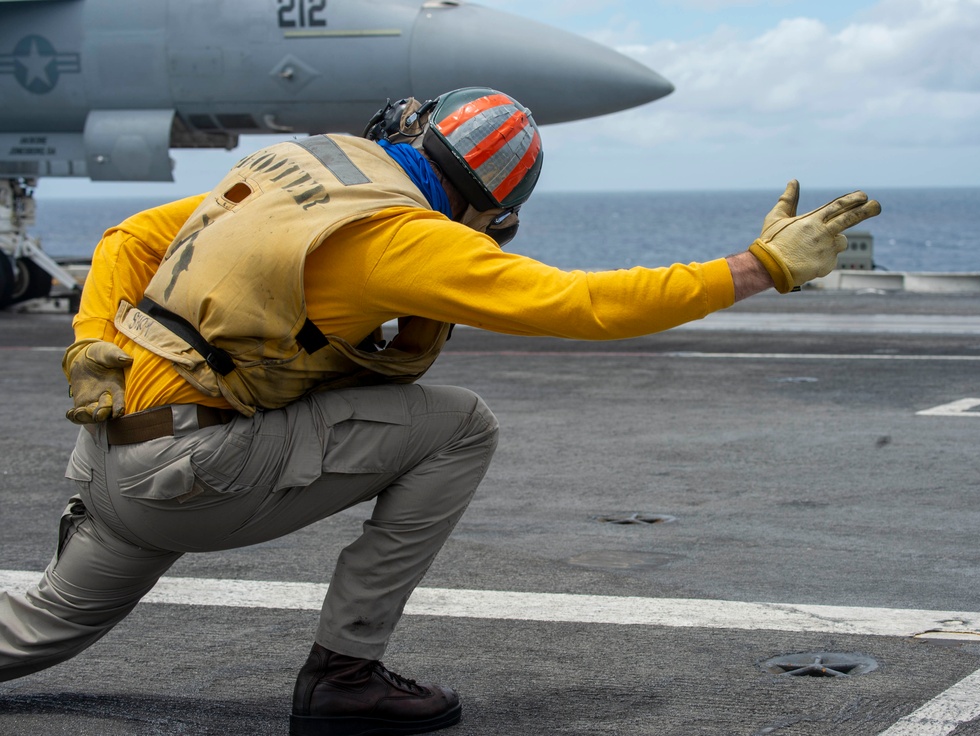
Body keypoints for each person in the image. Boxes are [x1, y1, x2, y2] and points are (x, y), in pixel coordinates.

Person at [0, 87, 880, 736]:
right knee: (461, 423)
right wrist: (764, 265)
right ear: (489, 203)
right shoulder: (404, 237)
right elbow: (587, 306)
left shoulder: (302, 167)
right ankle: (345, 672)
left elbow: (129, 238)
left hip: (110, 453)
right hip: (194, 477)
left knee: (34, 633)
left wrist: (89, 347)